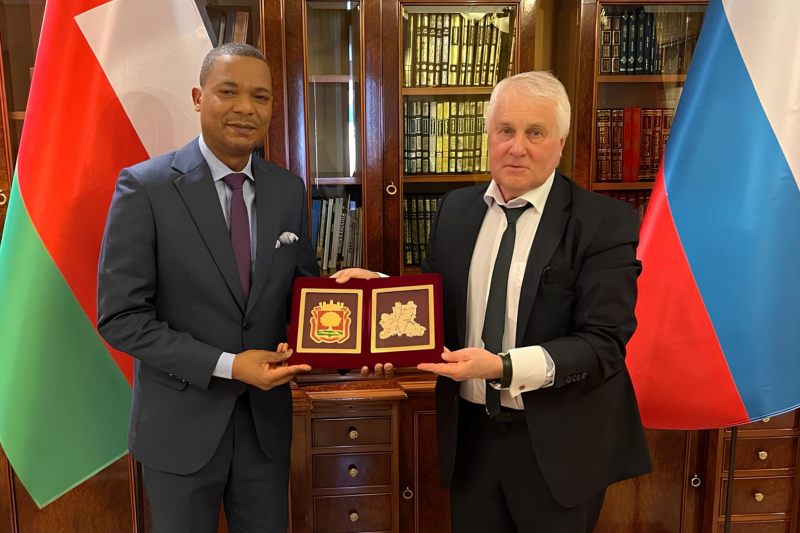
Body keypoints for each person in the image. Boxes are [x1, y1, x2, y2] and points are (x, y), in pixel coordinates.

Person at [335, 71, 651, 532]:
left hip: (559, 448)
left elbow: (603, 343)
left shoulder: (604, 221)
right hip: (472, 439)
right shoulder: (455, 210)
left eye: (534, 133)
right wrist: (377, 297)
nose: (516, 147)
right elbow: (436, 306)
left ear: (560, 142)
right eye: (505, 130)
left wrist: (502, 367)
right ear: (488, 136)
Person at [97, 43, 318, 533]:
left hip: (264, 430)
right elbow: (121, 318)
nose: (245, 108)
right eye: (228, 91)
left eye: (260, 96)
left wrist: (351, 305)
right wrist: (228, 365)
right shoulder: (146, 188)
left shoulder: (287, 191)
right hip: (179, 430)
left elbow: (303, 298)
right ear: (199, 97)